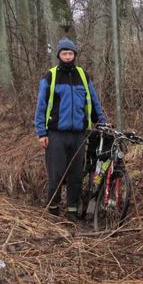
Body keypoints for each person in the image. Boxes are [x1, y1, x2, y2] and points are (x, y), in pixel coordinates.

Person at [34, 37, 107, 221]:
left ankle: (73, 211)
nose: (68, 57)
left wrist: (102, 122)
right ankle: (53, 209)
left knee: (76, 175)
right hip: (56, 134)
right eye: (64, 53)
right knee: (56, 174)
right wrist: (41, 132)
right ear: (59, 55)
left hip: (79, 134)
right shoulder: (50, 76)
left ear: (75, 55)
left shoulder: (83, 75)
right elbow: (41, 105)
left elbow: (94, 101)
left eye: (70, 53)